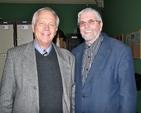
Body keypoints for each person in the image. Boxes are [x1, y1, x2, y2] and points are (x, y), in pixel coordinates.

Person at [0, 7, 75, 113]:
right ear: (33, 27)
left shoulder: (69, 58)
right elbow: (5, 101)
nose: (46, 28)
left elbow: (72, 97)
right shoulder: (14, 56)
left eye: (51, 24)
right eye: (41, 23)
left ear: (56, 31)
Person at [72, 7, 137, 113]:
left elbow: (128, 94)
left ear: (100, 25)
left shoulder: (120, 51)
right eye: (82, 23)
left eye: (91, 21)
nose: (86, 26)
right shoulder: (75, 53)